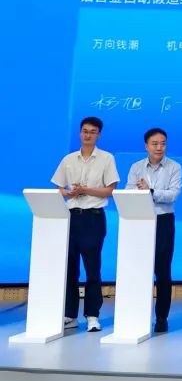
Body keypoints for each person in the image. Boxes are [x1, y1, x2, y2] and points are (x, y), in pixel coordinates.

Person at [52, 116, 119, 333]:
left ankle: (92, 315)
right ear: (80, 133)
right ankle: (70, 315)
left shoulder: (106, 158)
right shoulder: (68, 159)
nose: (87, 135)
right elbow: (59, 188)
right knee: (70, 268)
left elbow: (110, 190)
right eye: (84, 131)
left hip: (93, 218)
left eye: (92, 131)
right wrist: (69, 192)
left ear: (98, 135)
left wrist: (86, 190)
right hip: (72, 217)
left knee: (92, 269)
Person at [125, 127, 182, 333]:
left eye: (163, 144)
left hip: (163, 220)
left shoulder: (174, 167)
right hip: (141, 220)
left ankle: (161, 317)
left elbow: (173, 194)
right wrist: (141, 191)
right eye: (155, 144)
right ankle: (137, 315)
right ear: (146, 146)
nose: (159, 147)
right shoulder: (136, 167)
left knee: (163, 270)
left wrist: (150, 191)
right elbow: (128, 190)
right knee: (139, 268)